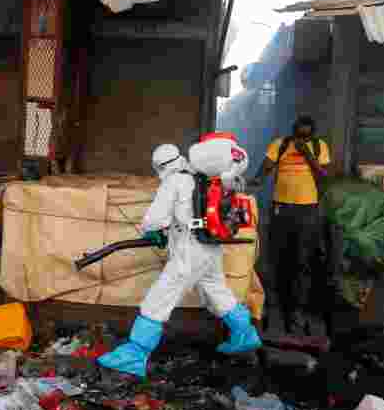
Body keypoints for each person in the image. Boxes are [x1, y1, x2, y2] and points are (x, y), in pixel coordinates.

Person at [97, 143, 262, 379]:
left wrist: (153, 231)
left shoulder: (174, 181)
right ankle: (244, 334)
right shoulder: (202, 177)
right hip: (211, 247)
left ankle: (134, 354)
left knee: (159, 298)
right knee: (217, 290)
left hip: (189, 250)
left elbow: (156, 217)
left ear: (160, 167)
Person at [251, 115, 331, 334]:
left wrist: (306, 152)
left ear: (312, 134)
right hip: (280, 209)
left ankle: (298, 312)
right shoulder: (280, 144)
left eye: (305, 135)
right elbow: (264, 170)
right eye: (298, 135)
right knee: (277, 258)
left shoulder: (318, 146)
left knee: (302, 260)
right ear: (293, 132)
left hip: (307, 211)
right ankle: (274, 309)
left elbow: (323, 176)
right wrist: (253, 182)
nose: (301, 139)